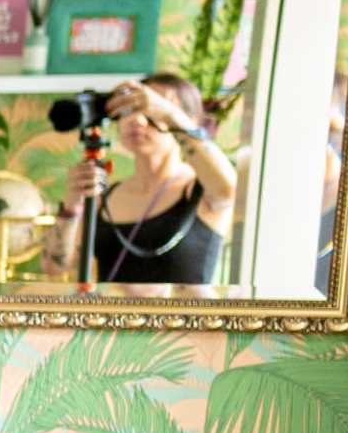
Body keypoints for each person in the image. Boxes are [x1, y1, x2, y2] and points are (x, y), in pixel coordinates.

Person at [72, 73, 240, 288]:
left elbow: (230, 190)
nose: (137, 119)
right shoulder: (104, 195)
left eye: (150, 110)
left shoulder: (201, 191)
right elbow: (58, 267)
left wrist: (169, 115)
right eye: (130, 110)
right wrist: (70, 205)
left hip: (186, 321)